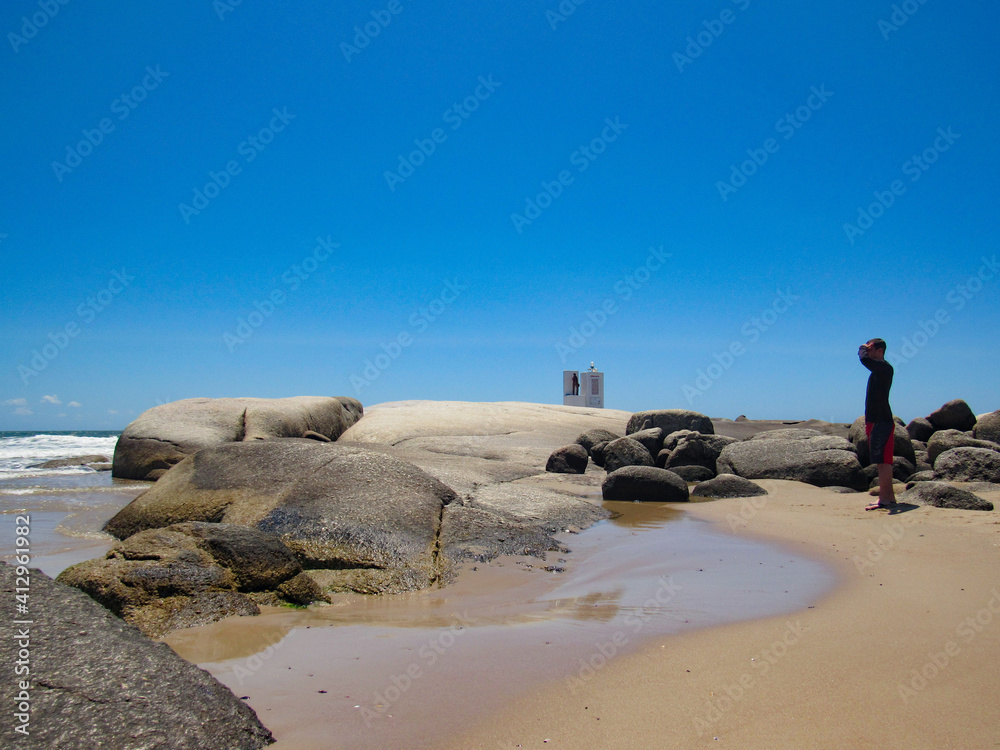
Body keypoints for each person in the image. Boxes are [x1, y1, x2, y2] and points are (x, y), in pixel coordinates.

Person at [859, 338, 896, 510]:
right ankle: (888, 497)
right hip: (875, 420)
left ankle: (885, 499)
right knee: (881, 461)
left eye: (871, 348)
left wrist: (862, 350)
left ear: (880, 350)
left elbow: (865, 360)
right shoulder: (877, 370)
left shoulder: (885, 368)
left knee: (883, 462)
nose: (868, 351)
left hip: (882, 420)